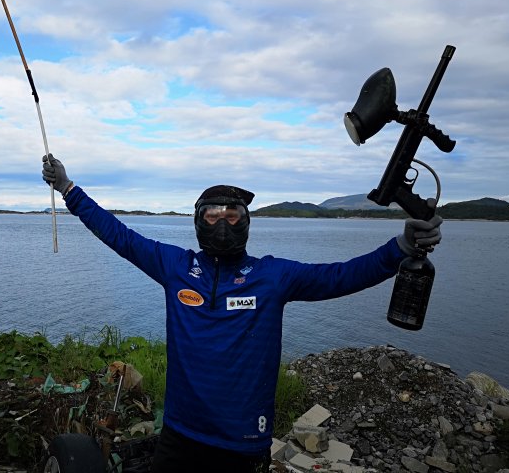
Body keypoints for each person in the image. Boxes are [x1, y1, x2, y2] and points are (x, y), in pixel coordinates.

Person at [41, 154, 443, 473]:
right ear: (198, 222)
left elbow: (340, 276)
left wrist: (400, 249)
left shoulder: (272, 277)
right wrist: (68, 188)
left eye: (232, 216)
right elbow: (118, 235)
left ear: (246, 221)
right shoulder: (175, 267)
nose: (222, 224)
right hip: (179, 434)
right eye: (212, 216)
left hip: (242, 442)